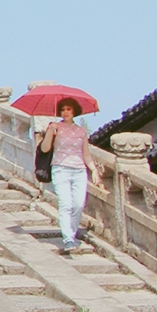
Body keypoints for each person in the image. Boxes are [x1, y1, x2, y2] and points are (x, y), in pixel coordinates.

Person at [38, 98, 100, 253]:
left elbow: (85, 153)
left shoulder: (81, 131)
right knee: (66, 204)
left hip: (79, 170)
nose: (65, 112)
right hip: (60, 169)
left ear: (74, 112)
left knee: (78, 205)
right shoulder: (55, 127)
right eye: (63, 109)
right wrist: (50, 133)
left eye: (69, 109)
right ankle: (68, 238)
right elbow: (45, 149)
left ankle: (72, 234)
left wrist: (93, 169)